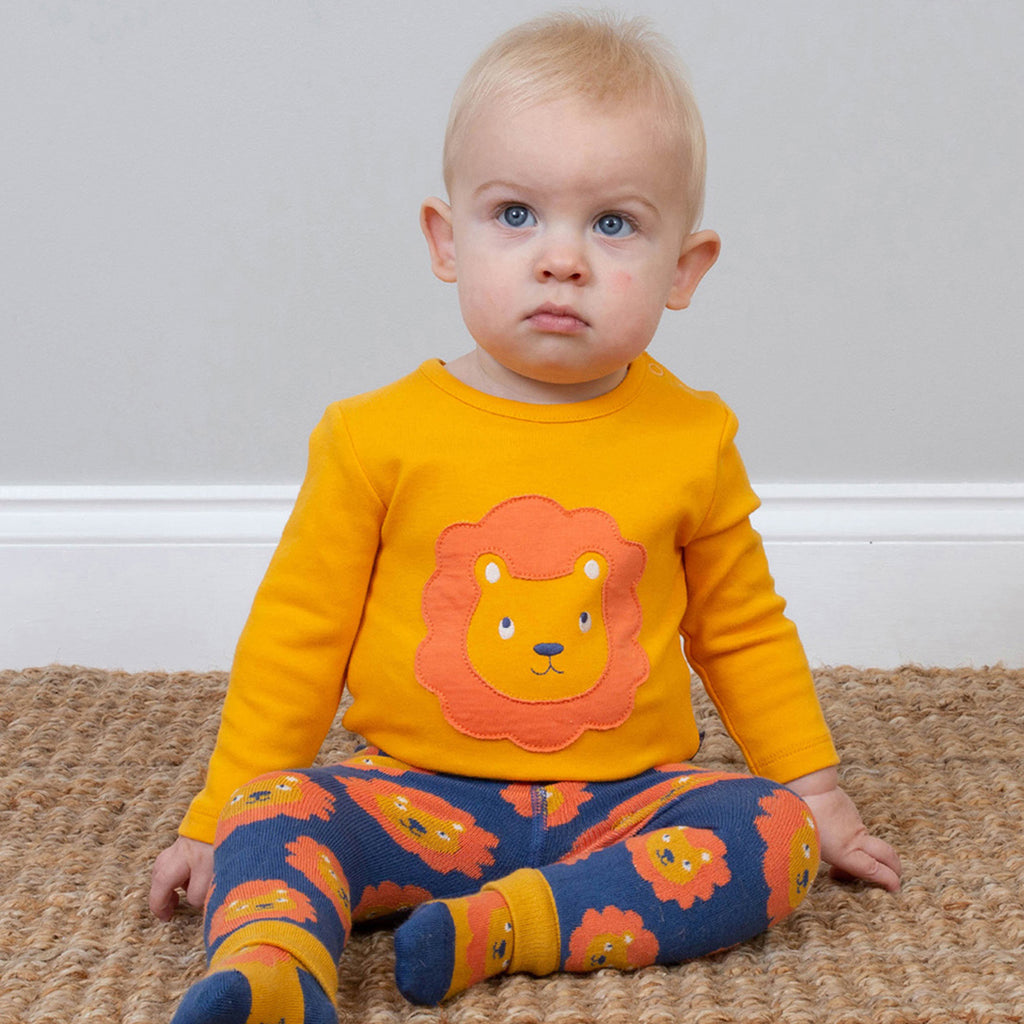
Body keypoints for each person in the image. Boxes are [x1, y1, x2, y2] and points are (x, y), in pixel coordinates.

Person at [151, 12, 902, 1023]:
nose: (561, 259)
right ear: (445, 240)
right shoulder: (373, 436)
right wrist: (212, 815)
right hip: (411, 796)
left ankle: (506, 927)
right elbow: (300, 633)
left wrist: (813, 789)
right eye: (515, 214)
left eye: (614, 224)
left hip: (623, 806)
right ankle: (271, 968)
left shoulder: (692, 437)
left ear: (685, 268)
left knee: (769, 836)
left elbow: (741, 627)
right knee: (271, 812)